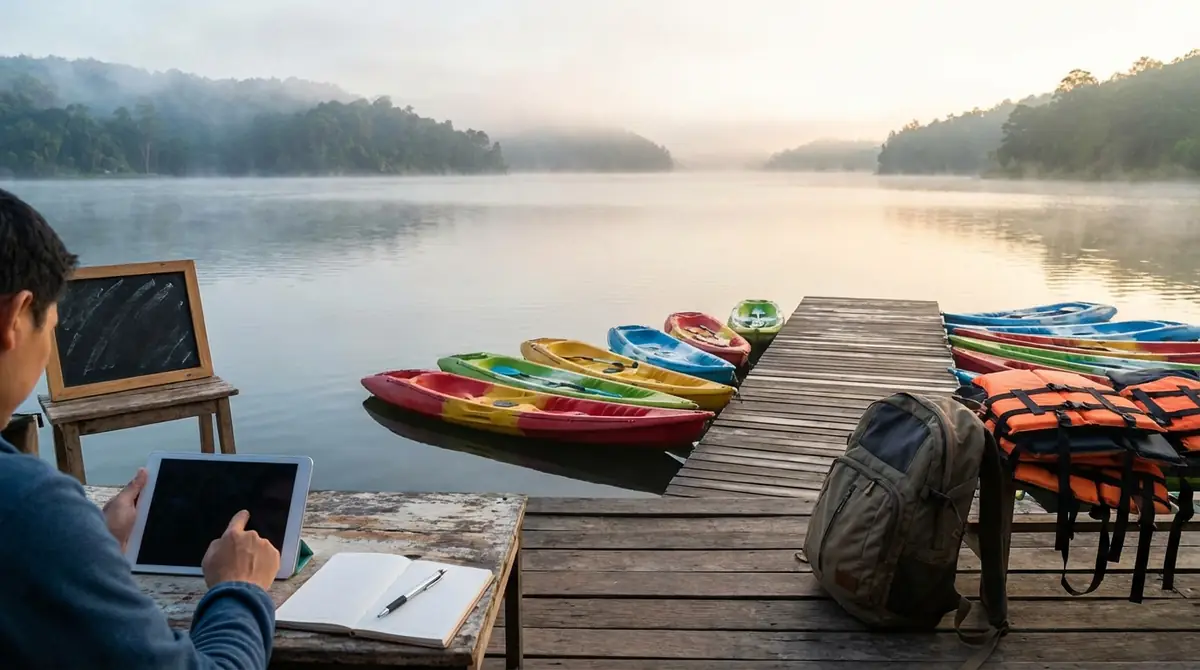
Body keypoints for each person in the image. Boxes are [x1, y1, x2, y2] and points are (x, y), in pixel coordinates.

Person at [0, 187, 282, 669]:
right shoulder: (26, 507)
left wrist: (91, 549)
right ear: (12, 317)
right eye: (51, 323)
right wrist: (240, 588)